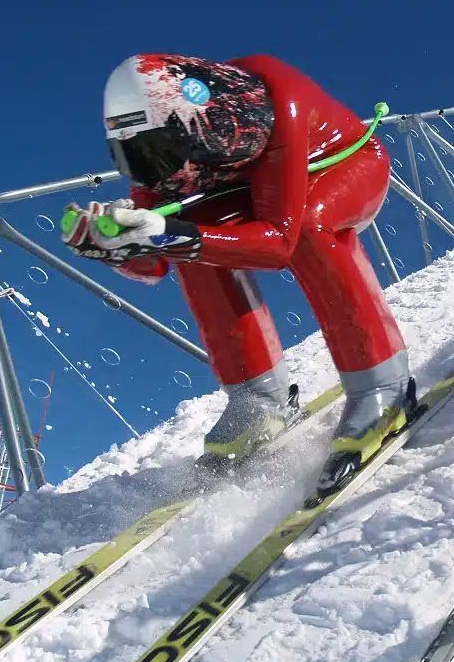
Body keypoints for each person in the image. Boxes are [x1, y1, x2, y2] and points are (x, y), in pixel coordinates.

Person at [62, 53, 414, 495]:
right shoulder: (164, 166)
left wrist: (174, 234)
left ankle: (383, 386)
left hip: (340, 165)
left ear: (195, 123)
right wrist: (113, 248)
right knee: (195, 245)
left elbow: (278, 244)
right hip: (253, 190)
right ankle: (259, 401)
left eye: (156, 150)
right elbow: (155, 264)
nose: (150, 172)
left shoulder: (276, 100)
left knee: (307, 228)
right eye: (132, 157)